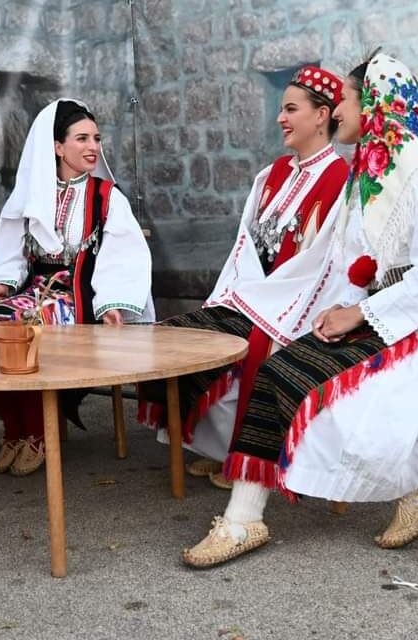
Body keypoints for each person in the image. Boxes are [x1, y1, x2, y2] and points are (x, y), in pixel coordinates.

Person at [181, 53, 418, 568]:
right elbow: (355, 265)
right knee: (279, 368)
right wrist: (343, 307)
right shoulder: (369, 173)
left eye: (347, 99)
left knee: (321, 387)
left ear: (374, 105)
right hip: (381, 308)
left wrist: (359, 315)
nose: (339, 110)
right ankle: (243, 520)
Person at [137, 66, 349, 489]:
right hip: (251, 295)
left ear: (322, 115)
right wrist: (234, 295)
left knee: (240, 347)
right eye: (281, 109)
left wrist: (264, 303)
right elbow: (244, 246)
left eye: (291, 109)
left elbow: (324, 265)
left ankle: (240, 456)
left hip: (291, 307)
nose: (280, 118)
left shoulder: (340, 180)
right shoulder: (271, 175)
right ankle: (219, 450)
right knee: (177, 335)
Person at [0, 98, 153, 476]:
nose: (92, 147)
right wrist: (2, 281)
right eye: (81, 138)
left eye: (96, 138)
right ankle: (15, 431)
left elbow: (124, 254)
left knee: (29, 332)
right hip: (32, 294)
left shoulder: (106, 197)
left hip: (80, 300)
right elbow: (13, 246)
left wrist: (113, 303)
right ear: (57, 147)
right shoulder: (33, 195)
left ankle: (37, 435)